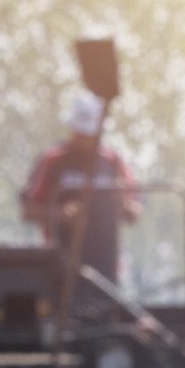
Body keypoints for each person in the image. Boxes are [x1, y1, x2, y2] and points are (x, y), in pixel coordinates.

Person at [21, 93, 141, 282]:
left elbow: (134, 213)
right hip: (60, 266)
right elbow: (28, 211)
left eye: (89, 135)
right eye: (80, 134)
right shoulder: (53, 160)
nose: (85, 140)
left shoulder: (114, 162)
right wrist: (61, 214)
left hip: (106, 268)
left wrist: (122, 202)